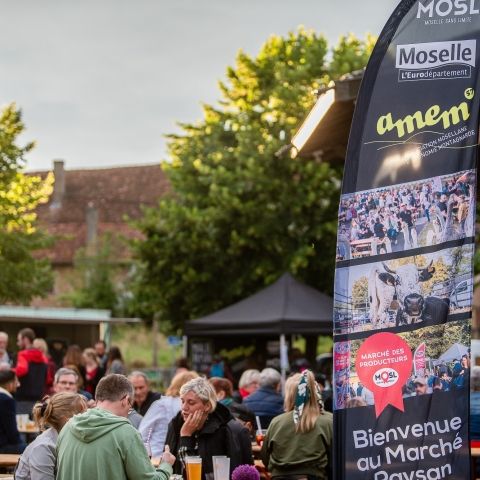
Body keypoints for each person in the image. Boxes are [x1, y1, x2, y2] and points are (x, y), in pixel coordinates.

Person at [56, 374, 175, 480]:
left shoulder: (67, 428)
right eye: (130, 405)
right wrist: (166, 465)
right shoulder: (126, 433)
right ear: (126, 400)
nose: (129, 410)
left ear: (97, 399)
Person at [165, 377, 252, 479]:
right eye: (182, 401)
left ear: (207, 406)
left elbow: (198, 476)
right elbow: (170, 469)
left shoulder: (224, 430)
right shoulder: (176, 425)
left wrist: (186, 437)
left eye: (191, 402)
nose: (184, 407)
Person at [261, 370, 333, 480]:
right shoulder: (328, 421)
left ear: (289, 395)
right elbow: (336, 459)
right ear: (314, 393)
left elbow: (265, 457)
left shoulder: (276, 422)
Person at [14, 392, 87, 480]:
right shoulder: (44, 447)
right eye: (84, 413)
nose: (89, 416)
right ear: (67, 420)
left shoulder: (70, 438)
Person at [139, 370, 199, 457]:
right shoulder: (196, 406)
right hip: (180, 455)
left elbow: (143, 433)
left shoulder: (162, 404)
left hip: (157, 456)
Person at [14, 328, 48, 414]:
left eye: (19, 340)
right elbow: (47, 378)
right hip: (38, 400)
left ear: (25, 339)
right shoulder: (42, 356)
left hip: (22, 399)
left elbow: (22, 370)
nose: (17, 343)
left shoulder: (23, 354)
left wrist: (9, 371)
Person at [0, 369, 25, 453]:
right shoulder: (6, 400)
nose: (18, 384)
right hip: (2, 447)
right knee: (31, 449)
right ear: (10, 384)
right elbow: (12, 433)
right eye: (16, 381)